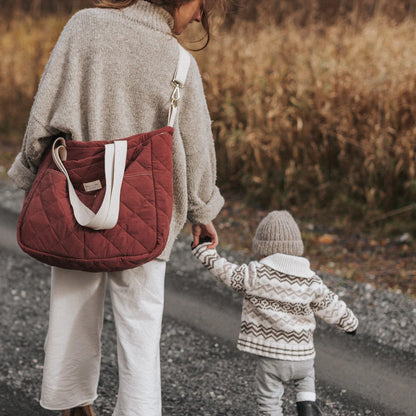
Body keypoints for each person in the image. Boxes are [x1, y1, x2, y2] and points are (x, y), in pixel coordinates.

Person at [8, 1, 225, 415]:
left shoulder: (84, 26)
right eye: (201, 5)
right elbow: (196, 148)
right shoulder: (180, 62)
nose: (200, 17)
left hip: (74, 199)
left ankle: (72, 405)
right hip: (148, 215)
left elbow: (44, 115)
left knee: (70, 311)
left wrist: (26, 175)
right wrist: (201, 210)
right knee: (140, 332)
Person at [192, 210, 359, 416]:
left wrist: (203, 251)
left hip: (273, 358)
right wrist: (349, 323)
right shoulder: (310, 279)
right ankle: (307, 405)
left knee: (269, 400)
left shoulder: (256, 273)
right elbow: (330, 304)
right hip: (303, 357)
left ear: (263, 249)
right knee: (306, 378)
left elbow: (226, 272)